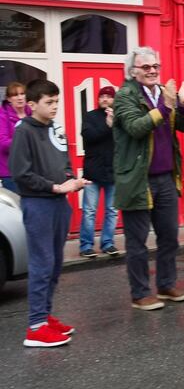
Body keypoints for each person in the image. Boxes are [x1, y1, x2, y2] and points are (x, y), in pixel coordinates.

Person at [113, 46, 184, 311]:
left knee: (169, 237)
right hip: (137, 180)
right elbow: (136, 128)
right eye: (146, 67)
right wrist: (167, 106)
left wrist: (183, 104)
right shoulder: (123, 97)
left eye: (155, 67)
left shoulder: (164, 93)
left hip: (166, 177)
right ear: (133, 71)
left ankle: (166, 285)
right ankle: (140, 294)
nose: (152, 71)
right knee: (137, 242)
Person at [9, 79, 90, 347]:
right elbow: (21, 174)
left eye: (57, 101)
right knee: (42, 264)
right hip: (39, 205)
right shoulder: (24, 132)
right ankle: (35, 327)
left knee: (54, 264)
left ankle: (45, 316)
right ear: (32, 105)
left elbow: (66, 163)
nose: (55, 106)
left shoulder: (56, 129)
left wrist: (71, 180)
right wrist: (55, 187)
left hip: (59, 204)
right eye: (49, 102)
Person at [78, 86, 120, 259]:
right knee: (89, 211)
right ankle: (86, 245)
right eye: (102, 96)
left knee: (112, 210)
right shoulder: (90, 116)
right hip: (93, 172)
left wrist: (115, 123)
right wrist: (107, 126)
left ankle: (108, 243)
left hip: (113, 171)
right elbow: (88, 136)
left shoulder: (119, 117)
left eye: (108, 97)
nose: (105, 99)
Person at [1, 81, 31, 193]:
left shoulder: (33, 113)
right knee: (16, 208)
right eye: (15, 95)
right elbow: (3, 144)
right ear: (9, 99)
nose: (20, 98)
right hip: (11, 173)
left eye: (22, 94)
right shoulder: (2, 116)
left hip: (32, 171)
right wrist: (25, 142)